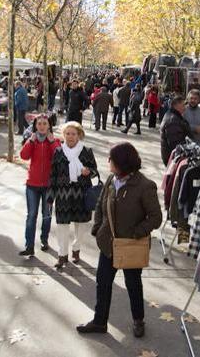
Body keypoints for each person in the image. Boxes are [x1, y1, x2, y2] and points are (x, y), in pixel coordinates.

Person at [76, 142, 162, 337]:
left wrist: (136, 233)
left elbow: (156, 217)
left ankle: (138, 320)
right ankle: (99, 322)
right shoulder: (111, 179)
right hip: (108, 243)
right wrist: (98, 228)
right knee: (103, 282)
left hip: (131, 245)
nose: (108, 162)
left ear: (122, 163)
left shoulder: (145, 186)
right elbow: (100, 204)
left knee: (133, 283)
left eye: (111, 160)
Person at [47, 122, 97, 270]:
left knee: (80, 227)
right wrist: (50, 197)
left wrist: (89, 171)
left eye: (73, 134)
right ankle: (62, 255)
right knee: (62, 227)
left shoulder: (86, 151)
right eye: (67, 134)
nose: (70, 137)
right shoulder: (58, 152)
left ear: (79, 135)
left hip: (81, 196)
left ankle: (76, 249)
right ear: (63, 135)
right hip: (63, 196)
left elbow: (95, 171)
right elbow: (53, 176)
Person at [19, 115, 61, 256]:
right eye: (39, 124)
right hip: (32, 185)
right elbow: (24, 156)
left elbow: (59, 158)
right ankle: (29, 246)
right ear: (35, 126)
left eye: (45, 123)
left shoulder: (54, 141)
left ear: (49, 125)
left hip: (49, 186)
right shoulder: (33, 140)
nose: (42, 126)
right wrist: (30, 142)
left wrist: (51, 143)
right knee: (31, 215)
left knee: (46, 215)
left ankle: (44, 240)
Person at [160, 95, 192, 165]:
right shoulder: (173, 120)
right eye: (183, 105)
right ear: (176, 105)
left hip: (172, 156)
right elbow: (175, 144)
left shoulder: (174, 116)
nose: (185, 107)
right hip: (172, 158)